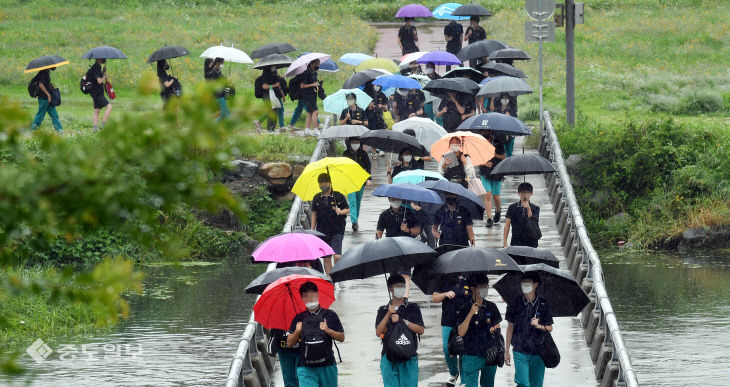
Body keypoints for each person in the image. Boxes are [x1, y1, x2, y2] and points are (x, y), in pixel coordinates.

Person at [287, 281, 345, 387]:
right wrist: (297, 331)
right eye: (306, 297)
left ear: (318, 295)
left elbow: (341, 337)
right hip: (305, 367)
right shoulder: (299, 318)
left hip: (327, 366)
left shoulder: (330, 315)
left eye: (312, 296)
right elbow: (289, 343)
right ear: (302, 299)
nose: (310, 300)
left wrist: (328, 330)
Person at [375, 274, 425, 387]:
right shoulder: (383, 310)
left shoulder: (413, 308)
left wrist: (403, 321)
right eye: (397, 286)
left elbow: (420, 330)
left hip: (409, 357)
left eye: (403, 286)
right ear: (390, 289)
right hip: (389, 358)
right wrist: (388, 314)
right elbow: (379, 332)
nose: (401, 289)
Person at [505, 272, 553, 387]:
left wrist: (539, 326)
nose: (524, 285)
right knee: (523, 383)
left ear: (535, 285)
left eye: (528, 283)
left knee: (536, 384)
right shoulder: (514, 303)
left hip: (538, 351)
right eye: (523, 283)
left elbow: (550, 328)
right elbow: (510, 327)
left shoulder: (543, 304)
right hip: (519, 350)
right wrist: (506, 351)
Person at [457, 274, 502, 387]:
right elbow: (461, 332)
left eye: (486, 286)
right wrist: (471, 313)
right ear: (473, 288)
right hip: (471, 353)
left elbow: (498, 328)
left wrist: (493, 330)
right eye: (481, 286)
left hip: (489, 353)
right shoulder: (464, 308)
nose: (484, 289)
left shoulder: (492, 306)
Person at [432, 275, 473, 386]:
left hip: (465, 320)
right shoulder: (444, 278)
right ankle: (454, 373)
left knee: (463, 350)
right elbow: (434, 298)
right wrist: (444, 294)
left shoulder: (470, 278)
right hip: (448, 320)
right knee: (447, 348)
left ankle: (464, 381)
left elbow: (476, 296)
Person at [311, 173, 349, 275]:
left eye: (325, 183)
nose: (323, 186)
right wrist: (312, 231)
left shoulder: (338, 196)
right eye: (321, 184)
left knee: (337, 256)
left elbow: (348, 209)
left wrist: (340, 211)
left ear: (330, 183)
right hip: (322, 232)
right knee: (326, 259)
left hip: (337, 229)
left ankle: (337, 273)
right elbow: (314, 214)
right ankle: (330, 280)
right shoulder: (316, 198)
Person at [342, 138, 372, 232]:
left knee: (358, 201)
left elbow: (368, 166)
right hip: (349, 180)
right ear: (349, 143)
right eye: (354, 142)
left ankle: (356, 220)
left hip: (360, 180)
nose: (356, 144)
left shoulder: (363, 153)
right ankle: (354, 221)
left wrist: (368, 178)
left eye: (357, 142)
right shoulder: (345, 154)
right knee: (352, 202)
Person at [479, 132, 506, 228]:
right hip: (485, 173)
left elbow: (503, 157)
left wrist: (494, 154)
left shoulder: (498, 143)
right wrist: (485, 164)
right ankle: (489, 218)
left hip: (497, 173)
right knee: (488, 194)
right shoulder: (480, 145)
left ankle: (498, 210)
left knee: (496, 197)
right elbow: (476, 160)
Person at [503, 183, 540, 248]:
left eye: (527, 193)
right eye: (522, 192)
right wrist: (505, 243)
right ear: (518, 193)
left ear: (531, 194)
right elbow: (507, 224)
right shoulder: (512, 207)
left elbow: (533, 222)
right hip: (516, 242)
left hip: (531, 242)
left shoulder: (535, 208)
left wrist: (528, 209)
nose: (524, 195)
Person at [255, 65, 288, 131]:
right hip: (267, 96)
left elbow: (278, 86)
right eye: (273, 68)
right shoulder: (265, 76)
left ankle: (276, 127)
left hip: (275, 95)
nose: (275, 69)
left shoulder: (275, 76)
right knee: (272, 111)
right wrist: (273, 86)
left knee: (277, 110)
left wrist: (282, 95)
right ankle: (269, 128)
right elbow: (264, 87)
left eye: (275, 67)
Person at [30, 68, 62, 133]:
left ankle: (59, 130)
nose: (55, 66)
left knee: (54, 114)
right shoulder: (43, 72)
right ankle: (33, 129)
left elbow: (44, 84)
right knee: (40, 115)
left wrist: (50, 85)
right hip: (44, 98)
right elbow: (41, 85)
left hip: (48, 99)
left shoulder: (47, 71)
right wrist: (48, 95)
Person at [87, 58, 112, 132]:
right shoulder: (96, 68)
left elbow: (97, 79)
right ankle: (103, 126)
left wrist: (103, 72)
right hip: (97, 93)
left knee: (97, 110)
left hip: (95, 92)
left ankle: (94, 129)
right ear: (98, 59)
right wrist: (104, 76)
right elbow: (99, 81)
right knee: (109, 107)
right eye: (102, 57)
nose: (104, 59)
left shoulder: (97, 67)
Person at [300, 59, 322, 135]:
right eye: (317, 64)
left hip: (313, 95)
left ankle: (306, 130)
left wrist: (318, 85)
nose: (318, 66)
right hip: (307, 96)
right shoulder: (306, 73)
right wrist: (313, 85)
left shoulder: (314, 73)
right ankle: (315, 130)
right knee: (315, 112)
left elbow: (314, 83)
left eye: (319, 64)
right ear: (312, 64)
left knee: (309, 113)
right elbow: (302, 86)